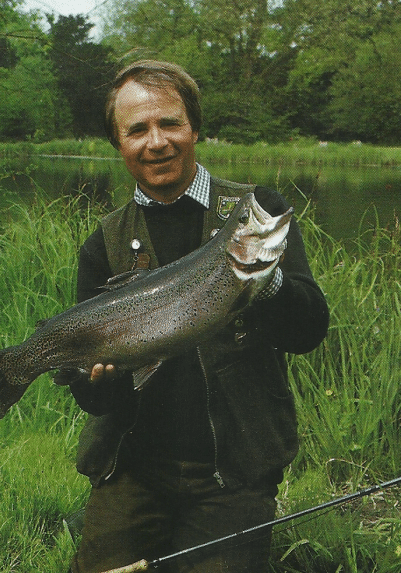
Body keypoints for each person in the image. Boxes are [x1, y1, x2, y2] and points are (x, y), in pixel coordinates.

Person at [56, 60, 329, 573]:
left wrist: (261, 281)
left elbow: (310, 330)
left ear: (195, 128)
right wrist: (98, 379)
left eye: (170, 123)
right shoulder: (104, 243)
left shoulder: (255, 212)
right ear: (118, 144)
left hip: (235, 471)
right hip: (133, 469)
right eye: (137, 129)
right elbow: (93, 399)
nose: (156, 142)